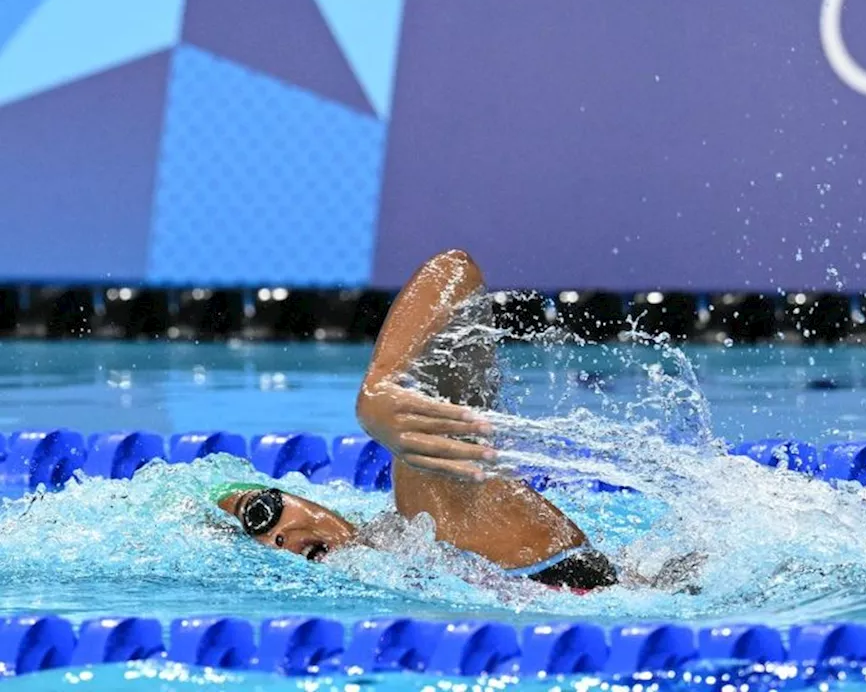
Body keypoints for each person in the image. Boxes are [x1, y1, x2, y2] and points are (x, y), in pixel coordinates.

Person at [213, 250, 620, 592]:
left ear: (303, 498)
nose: (278, 538)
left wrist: (380, 384)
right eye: (267, 547)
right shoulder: (410, 551)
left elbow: (456, 270)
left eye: (261, 514)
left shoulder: (428, 508)